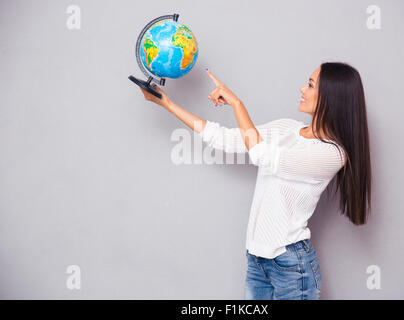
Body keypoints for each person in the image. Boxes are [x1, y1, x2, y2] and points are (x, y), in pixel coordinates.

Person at [138, 62, 372, 300]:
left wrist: (237, 105)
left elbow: (262, 155)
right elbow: (224, 139)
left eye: (311, 85)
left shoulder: (332, 153)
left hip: (291, 267)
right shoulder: (287, 129)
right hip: (257, 260)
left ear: (332, 96)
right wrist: (167, 104)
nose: (302, 89)